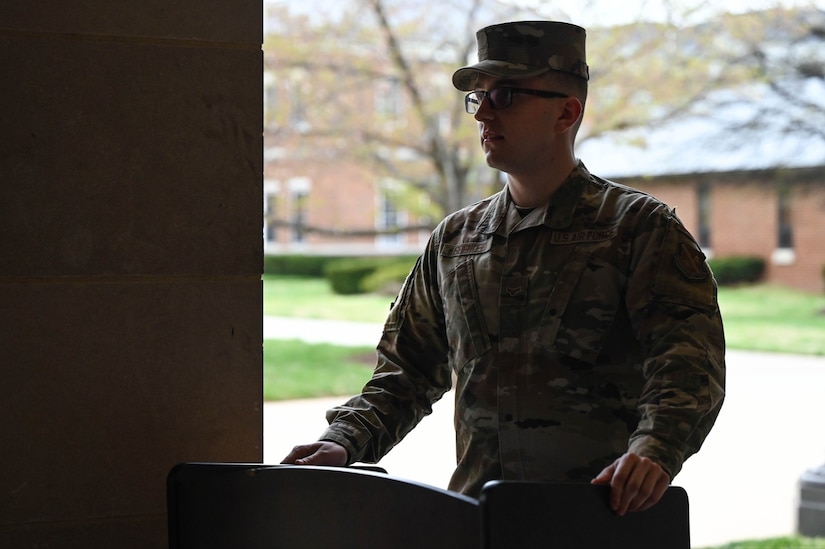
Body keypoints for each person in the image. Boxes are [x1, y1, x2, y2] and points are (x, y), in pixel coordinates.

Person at [282, 20, 726, 516]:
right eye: (479, 98)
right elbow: (405, 372)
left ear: (566, 112)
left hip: (600, 523)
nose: (483, 114)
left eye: (507, 96)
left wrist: (654, 451)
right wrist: (344, 442)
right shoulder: (455, 241)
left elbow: (689, 369)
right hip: (481, 521)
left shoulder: (638, 229)